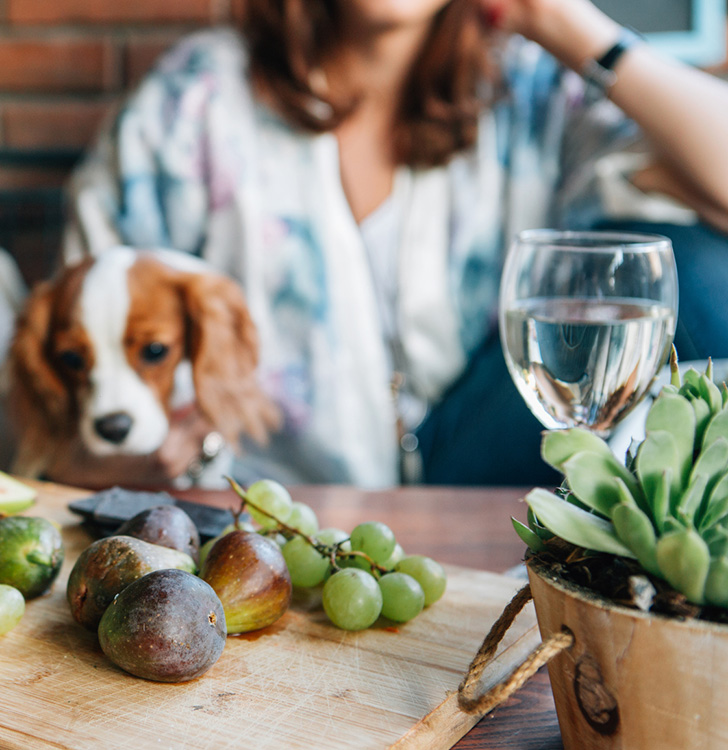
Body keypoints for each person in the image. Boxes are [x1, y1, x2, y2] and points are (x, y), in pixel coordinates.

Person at [56, 0, 728, 489]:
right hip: (268, 486)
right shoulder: (195, 99)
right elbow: (82, 341)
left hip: (478, 451)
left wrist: (563, 22)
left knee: (700, 271)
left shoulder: (531, 84)